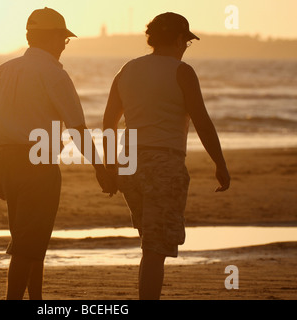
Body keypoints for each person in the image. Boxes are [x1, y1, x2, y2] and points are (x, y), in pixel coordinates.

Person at [0, 7, 114, 300]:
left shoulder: (5, 70)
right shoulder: (53, 73)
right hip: (38, 162)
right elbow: (77, 127)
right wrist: (100, 168)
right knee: (28, 245)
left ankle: (36, 299)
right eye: (63, 39)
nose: (64, 46)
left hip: (6, 162)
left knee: (30, 241)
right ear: (52, 38)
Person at [103, 12, 231, 300]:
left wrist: (110, 166)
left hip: (129, 163)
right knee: (155, 249)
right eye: (185, 42)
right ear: (176, 40)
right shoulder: (181, 72)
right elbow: (202, 120)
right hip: (163, 164)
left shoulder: (126, 70)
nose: (186, 48)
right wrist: (219, 163)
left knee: (150, 244)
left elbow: (108, 122)